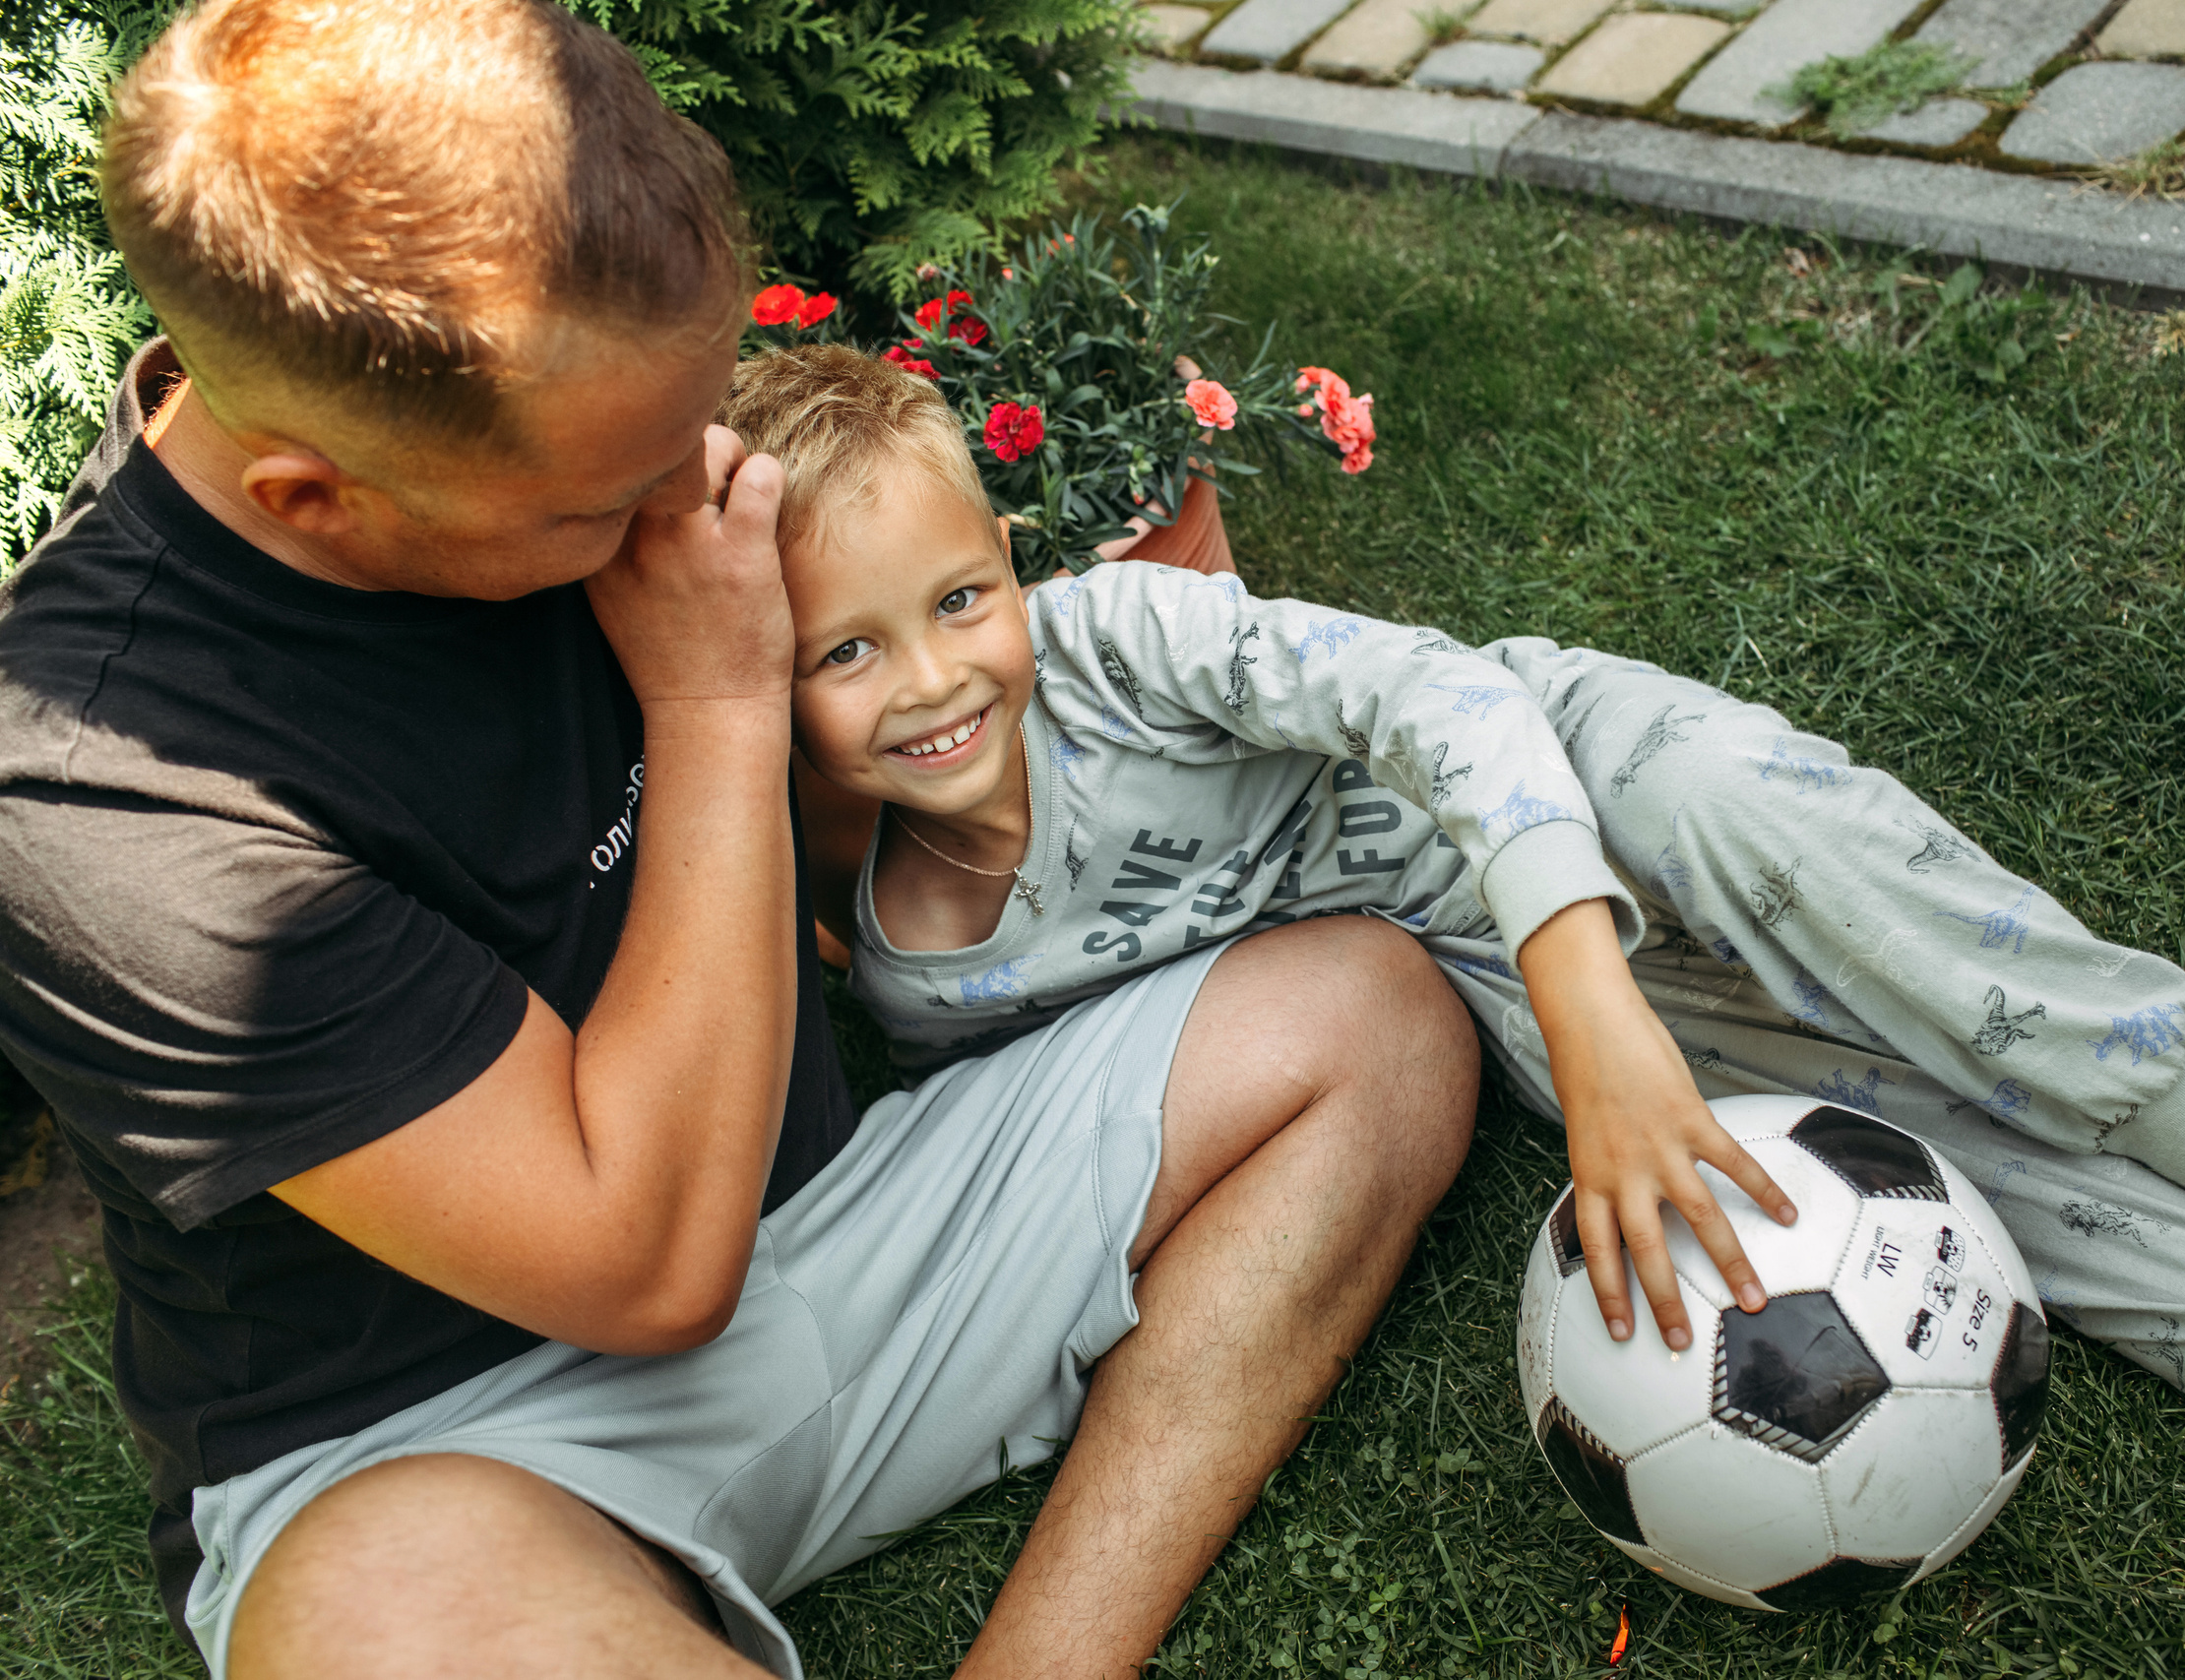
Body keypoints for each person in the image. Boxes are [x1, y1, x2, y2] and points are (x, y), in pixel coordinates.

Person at [0, 4, 1484, 1677]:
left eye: (698, 423)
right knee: (386, 1631)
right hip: (454, 1443)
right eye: (605, 501)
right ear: (310, 497)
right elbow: (642, 1270)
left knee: (1369, 1017)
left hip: (845, 1224)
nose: (699, 497)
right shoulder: (97, 791)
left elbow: (941, 723)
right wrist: (713, 706)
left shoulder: (596, 438)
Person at [726, 342, 2185, 1503]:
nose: (938, 678)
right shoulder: (909, 973)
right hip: (1477, 979)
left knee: (1838, 889)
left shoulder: (1115, 647)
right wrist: (1560, 1024)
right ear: (768, 680)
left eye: (963, 597)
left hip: (1582, 786)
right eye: (849, 650)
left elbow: (1438, 705)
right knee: (1916, 1181)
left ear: (1009, 558)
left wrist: (1598, 1000)